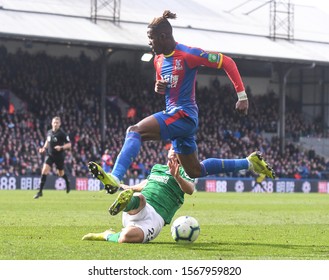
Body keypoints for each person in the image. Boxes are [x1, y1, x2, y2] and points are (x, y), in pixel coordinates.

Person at [88, 10, 275, 194]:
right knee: (195, 170)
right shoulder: (158, 60)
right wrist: (158, 86)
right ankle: (250, 162)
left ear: (163, 36)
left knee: (134, 131)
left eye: (151, 38)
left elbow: (227, 62)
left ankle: (115, 177)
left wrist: (242, 96)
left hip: (184, 115)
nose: (149, 42)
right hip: (178, 119)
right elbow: (164, 84)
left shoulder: (188, 54)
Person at [82, 146, 195, 243]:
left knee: (125, 237)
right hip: (140, 206)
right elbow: (147, 183)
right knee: (139, 197)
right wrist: (131, 188)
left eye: (178, 150)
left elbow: (190, 189)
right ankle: (126, 203)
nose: (174, 151)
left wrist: (177, 177)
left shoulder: (185, 172)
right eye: (172, 148)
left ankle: (107, 234)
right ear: (168, 151)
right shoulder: (157, 168)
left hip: (156, 217)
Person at [34, 116, 71, 199]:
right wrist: (43, 148)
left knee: (60, 173)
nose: (55, 124)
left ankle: (67, 182)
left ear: (60, 124)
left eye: (57, 123)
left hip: (59, 156)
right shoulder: (49, 132)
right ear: (51, 123)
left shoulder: (62, 133)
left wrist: (61, 147)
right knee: (44, 170)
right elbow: (48, 140)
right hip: (50, 155)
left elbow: (69, 144)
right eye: (54, 122)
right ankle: (40, 191)